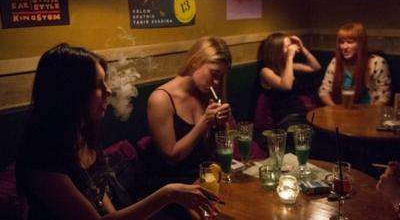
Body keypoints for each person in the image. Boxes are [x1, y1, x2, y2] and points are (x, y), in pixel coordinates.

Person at [15, 43, 218, 220]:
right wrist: (168, 194)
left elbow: (105, 205)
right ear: (69, 94)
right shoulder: (42, 159)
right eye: (97, 85)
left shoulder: (83, 135)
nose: (109, 91)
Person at [146, 36, 232, 187]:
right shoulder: (160, 99)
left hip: (207, 177)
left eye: (221, 76)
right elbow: (171, 157)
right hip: (173, 186)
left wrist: (222, 125)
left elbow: (215, 150)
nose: (217, 82)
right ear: (195, 63)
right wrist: (204, 122)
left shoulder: (206, 94)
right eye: (214, 73)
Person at [319, 22, 391, 106]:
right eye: (341, 42)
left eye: (350, 42)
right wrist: (335, 109)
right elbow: (324, 91)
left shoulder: (377, 62)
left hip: (368, 113)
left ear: (361, 44)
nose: (344, 47)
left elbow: (384, 97)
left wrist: (370, 115)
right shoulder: (335, 62)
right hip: (341, 110)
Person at [257, 32, 321, 127]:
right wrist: (289, 57)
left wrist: (302, 48)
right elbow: (286, 85)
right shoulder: (266, 71)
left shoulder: (288, 67)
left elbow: (315, 67)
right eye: (287, 47)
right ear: (275, 51)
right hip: (284, 118)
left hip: (300, 113)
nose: (291, 49)